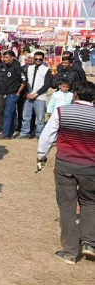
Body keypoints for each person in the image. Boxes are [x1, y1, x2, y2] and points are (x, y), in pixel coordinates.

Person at [37, 80, 95, 264]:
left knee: (67, 207)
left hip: (65, 166)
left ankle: (70, 251)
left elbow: (48, 136)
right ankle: (89, 243)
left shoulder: (63, 111)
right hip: (90, 168)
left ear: (75, 94)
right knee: (90, 203)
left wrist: (41, 156)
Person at [0, 50, 26, 139]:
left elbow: (24, 81)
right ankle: (10, 132)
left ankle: (5, 133)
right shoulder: (7, 66)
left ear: (12, 57)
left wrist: (18, 92)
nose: (4, 59)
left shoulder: (17, 67)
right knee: (11, 113)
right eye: (4, 57)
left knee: (8, 113)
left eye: (6, 57)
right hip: (7, 93)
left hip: (13, 93)